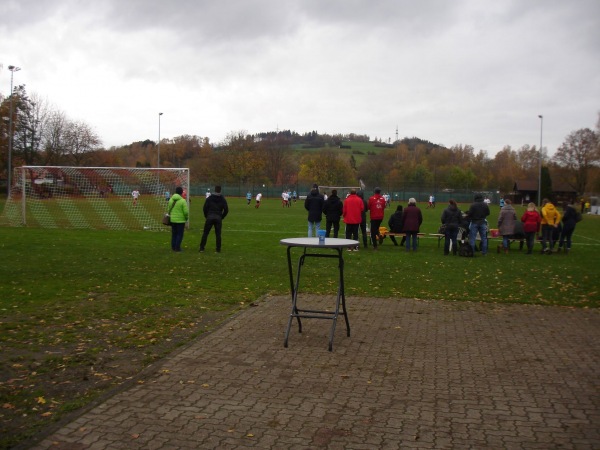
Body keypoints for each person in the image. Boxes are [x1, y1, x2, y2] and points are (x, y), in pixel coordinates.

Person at [199, 185, 229, 253]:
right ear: (220, 190)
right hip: (218, 217)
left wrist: (207, 216)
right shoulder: (222, 199)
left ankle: (201, 248)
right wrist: (222, 216)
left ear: (214, 190)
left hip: (210, 217)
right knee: (218, 234)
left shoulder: (209, 198)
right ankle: (218, 249)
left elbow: (204, 208)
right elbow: (226, 210)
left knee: (205, 233)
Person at [168, 186, 189, 252]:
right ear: (181, 193)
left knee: (174, 234)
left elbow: (168, 209)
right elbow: (186, 212)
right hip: (180, 220)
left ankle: (173, 247)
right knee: (180, 234)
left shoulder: (171, 199)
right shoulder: (183, 201)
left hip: (173, 220)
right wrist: (186, 218)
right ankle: (177, 248)